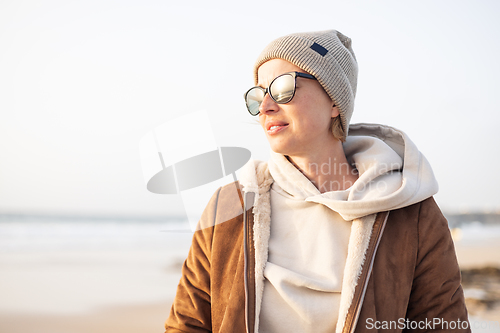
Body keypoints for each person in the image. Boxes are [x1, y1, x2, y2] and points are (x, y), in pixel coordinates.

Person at [165, 30, 470, 333]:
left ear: (334, 100)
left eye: (283, 88)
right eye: (258, 95)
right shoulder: (229, 207)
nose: (266, 107)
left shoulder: (411, 213)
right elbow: (187, 325)